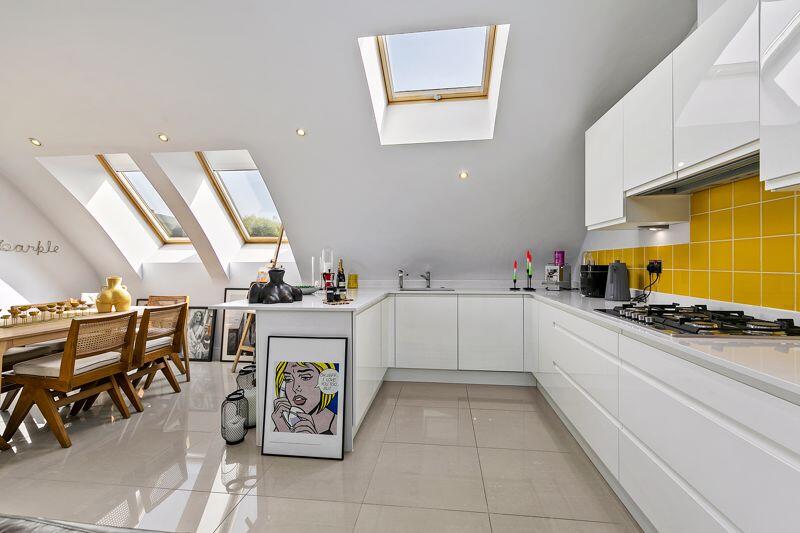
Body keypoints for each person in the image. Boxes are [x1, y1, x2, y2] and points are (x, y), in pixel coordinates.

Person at [271, 362, 337, 434]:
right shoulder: (280, 423)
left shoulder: (336, 425)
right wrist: (282, 428)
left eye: (305, 378)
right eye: (288, 379)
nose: (295, 388)